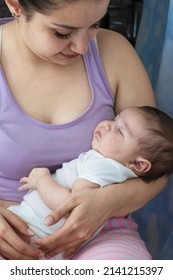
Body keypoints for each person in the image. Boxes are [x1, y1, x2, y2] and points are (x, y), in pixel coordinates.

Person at [0, 0, 167, 260]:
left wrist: (105, 203)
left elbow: (155, 169)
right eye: (62, 33)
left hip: (98, 232)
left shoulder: (115, 52)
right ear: (16, 5)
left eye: (94, 24)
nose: (82, 47)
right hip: (10, 231)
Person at [8, 105, 173, 259]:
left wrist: (42, 180)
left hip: (31, 231)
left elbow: (71, 208)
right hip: (44, 240)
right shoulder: (119, 173)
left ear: (139, 164)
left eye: (120, 131)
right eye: (115, 119)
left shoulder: (101, 164)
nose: (108, 125)